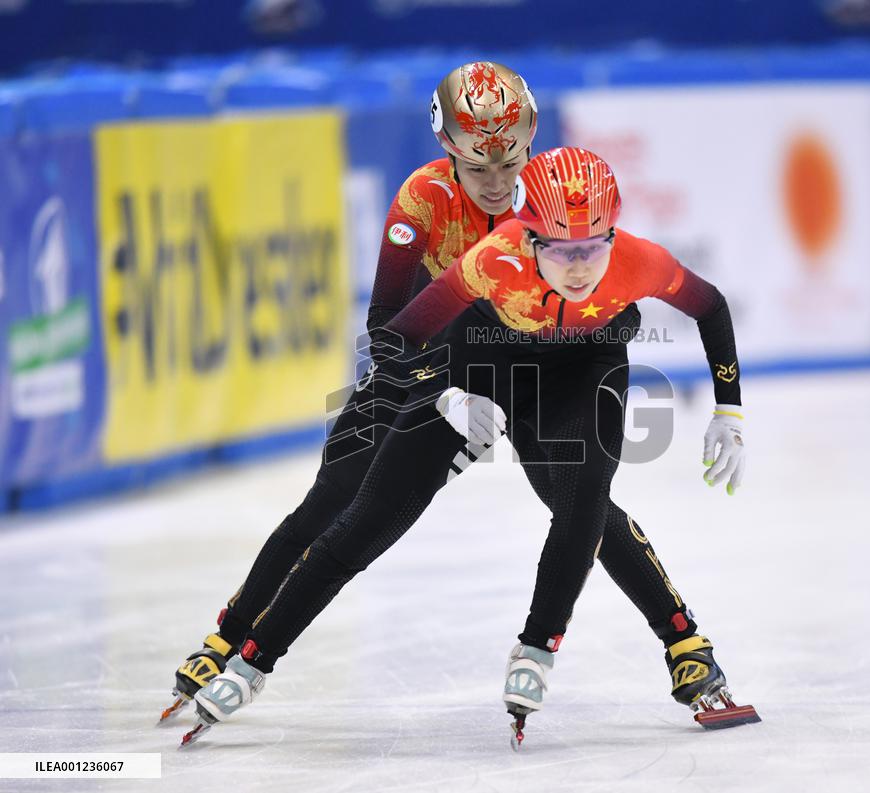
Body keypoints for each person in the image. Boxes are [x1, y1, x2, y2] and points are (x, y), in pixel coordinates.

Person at [164, 64, 719, 733]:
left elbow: (617, 308)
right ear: (447, 148)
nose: (497, 180)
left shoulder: (552, 200)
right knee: (334, 501)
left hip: (536, 365)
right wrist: (445, 392)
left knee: (582, 504)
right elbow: (385, 325)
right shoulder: (420, 199)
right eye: (477, 166)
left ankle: (683, 638)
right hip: (430, 360)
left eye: (510, 163)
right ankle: (230, 635)